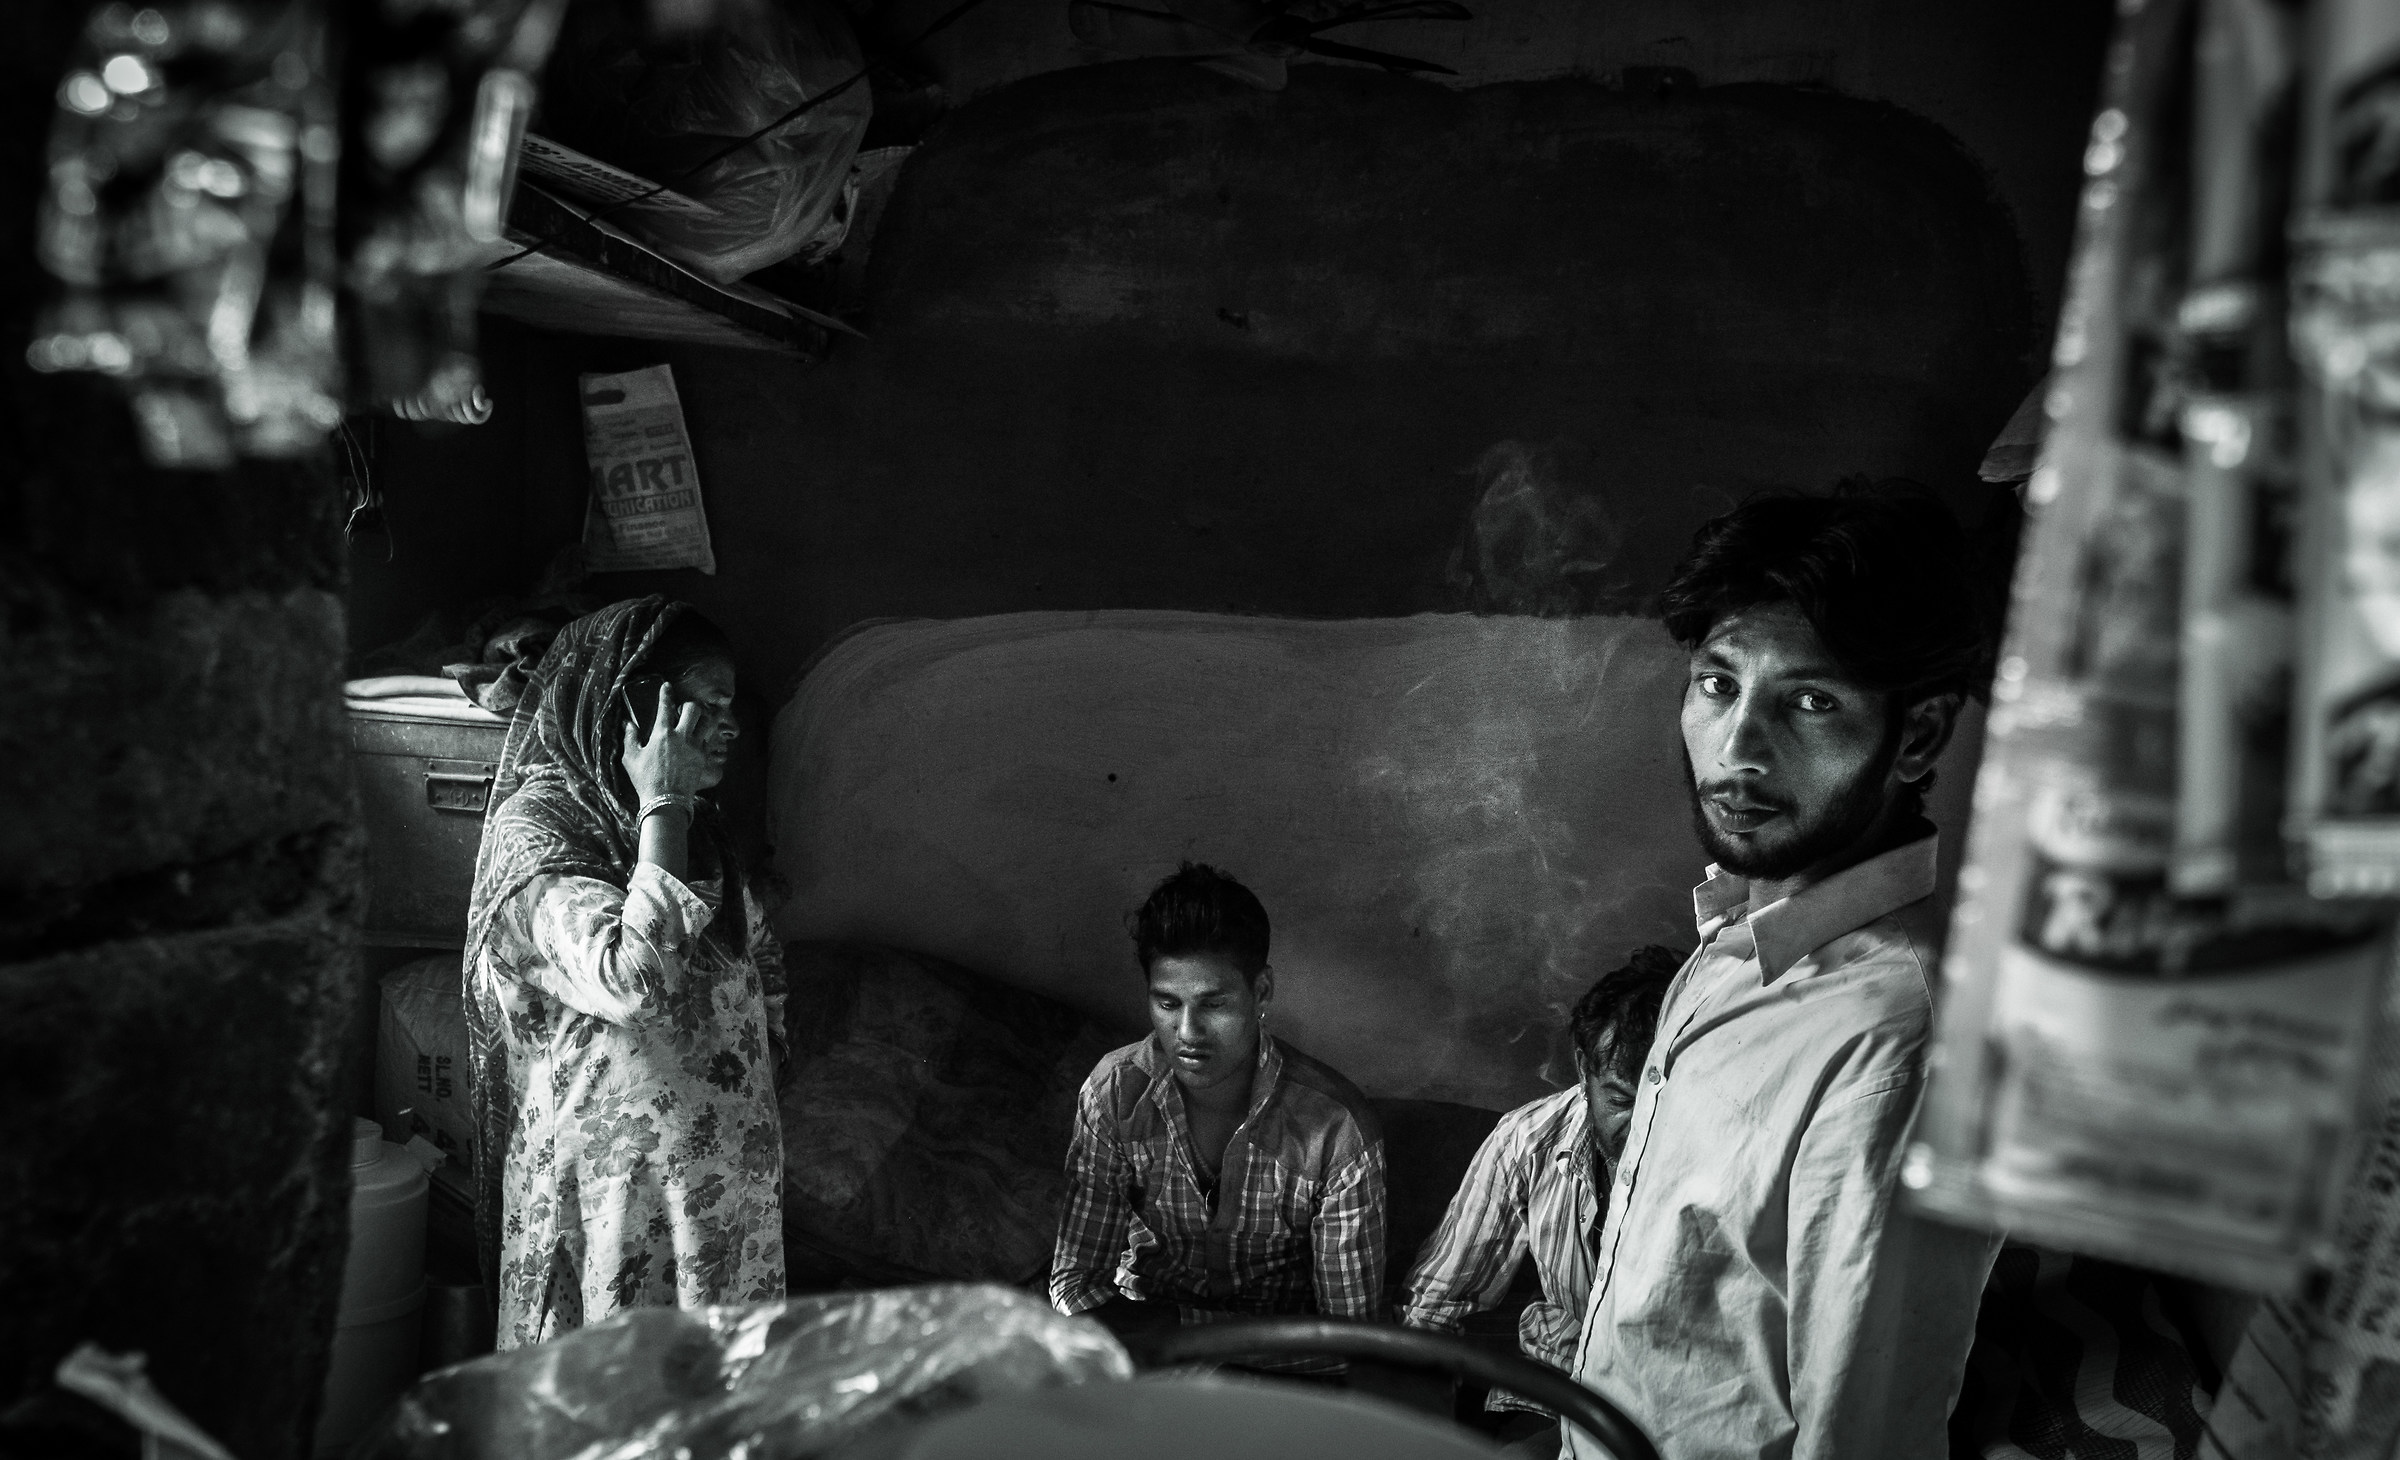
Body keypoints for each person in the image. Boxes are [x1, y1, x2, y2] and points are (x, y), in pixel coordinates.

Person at [1564, 483, 2003, 1460]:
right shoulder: (1735, 937)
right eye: (1718, 685)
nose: (1738, 749)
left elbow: (1865, 1435)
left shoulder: (1895, 1046)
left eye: (1810, 701)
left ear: (1920, 734)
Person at [462, 596, 787, 1349]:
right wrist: (663, 802)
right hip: (609, 1205)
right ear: (633, 706)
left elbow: (757, 949)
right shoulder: (539, 834)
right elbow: (633, 984)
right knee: (609, 1390)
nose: (731, 728)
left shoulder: (691, 828)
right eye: (706, 706)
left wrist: (760, 1069)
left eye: (730, 707)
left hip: (716, 1202)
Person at [1049, 863, 1387, 1372]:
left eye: (1214, 1004)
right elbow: (1075, 1284)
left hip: (1277, 1374)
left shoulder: (1336, 1130)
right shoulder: (1115, 1093)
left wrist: (1185, 1336)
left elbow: (1352, 1339)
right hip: (1146, 1355)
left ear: (1262, 992)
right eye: (1167, 1003)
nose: (1188, 1031)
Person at [1400, 945, 1682, 1456]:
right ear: (1583, 1067)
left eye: (1665, 1101)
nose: (1644, 1128)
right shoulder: (1527, 1142)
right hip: (1557, 1393)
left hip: (1674, 1409)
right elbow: (1435, 1306)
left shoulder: (1732, 1154)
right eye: (1622, 1101)